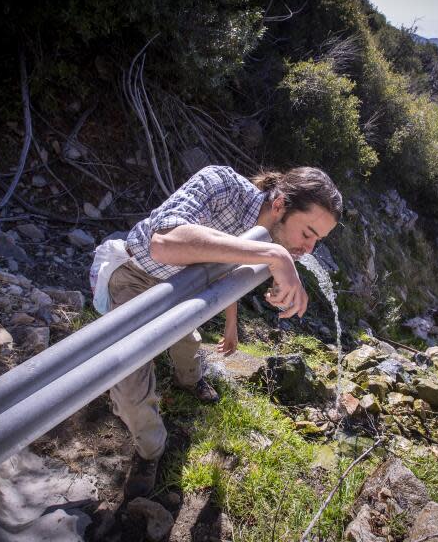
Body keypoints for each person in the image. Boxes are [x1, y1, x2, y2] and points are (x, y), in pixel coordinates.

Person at [107, 164, 342, 497]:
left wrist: (233, 326)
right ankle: (150, 451)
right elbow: (164, 242)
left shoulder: (274, 239)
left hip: (185, 291)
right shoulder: (221, 186)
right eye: (307, 234)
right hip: (139, 278)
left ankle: (190, 380)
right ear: (280, 206)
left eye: (317, 241)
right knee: (130, 389)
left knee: (188, 344)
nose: (308, 249)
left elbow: (227, 273)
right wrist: (274, 254)